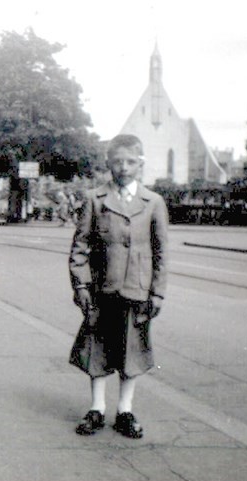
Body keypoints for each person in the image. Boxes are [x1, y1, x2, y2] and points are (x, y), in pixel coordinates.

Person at [69, 134, 169, 439]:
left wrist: (158, 291)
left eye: (130, 162)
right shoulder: (95, 200)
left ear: (140, 164)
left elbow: (161, 251)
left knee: (131, 350)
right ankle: (97, 408)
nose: (123, 168)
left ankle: (125, 410)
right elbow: (80, 247)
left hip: (136, 288)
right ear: (108, 163)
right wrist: (81, 286)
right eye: (117, 161)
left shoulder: (153, 202)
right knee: (97, 348)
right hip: (102, 289)